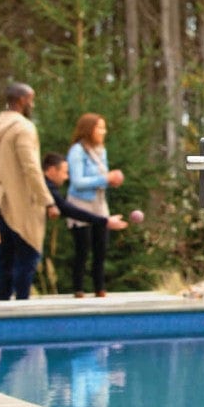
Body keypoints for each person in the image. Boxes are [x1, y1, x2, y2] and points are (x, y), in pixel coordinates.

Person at [0, 83, 58, 300]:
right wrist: (48, 201)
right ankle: (22, 307)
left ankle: (3, 306)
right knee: (28, 253)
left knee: (5, 256)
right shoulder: (23, 128)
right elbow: (31, 168)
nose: (33, 104)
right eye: (31, 99)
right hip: (21, 198)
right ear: (22, 100)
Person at [42, 152, 128, 297]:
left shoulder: (49, 187)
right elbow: (68, 209)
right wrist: (105, 221)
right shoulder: (47, 187)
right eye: (64, 172)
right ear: (51, 170)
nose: (66, 177)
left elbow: (64, 208)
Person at [66, 113, 124, 298]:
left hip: (99, 203)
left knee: (101, 247)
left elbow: (102, 177)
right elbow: (77, 181)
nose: (103, 131)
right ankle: (79, 289)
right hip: (80, 204)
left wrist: (111, 180)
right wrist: (104, 178)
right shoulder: (77, 151)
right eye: (99, 128)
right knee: (82, 248)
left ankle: (100, 288)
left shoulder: (101, 151)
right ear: (89, 129)